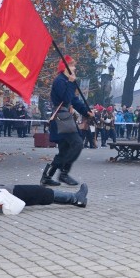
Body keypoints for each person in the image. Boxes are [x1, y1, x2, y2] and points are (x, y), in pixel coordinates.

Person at [40, 55, 93, 187]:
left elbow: (73, 100)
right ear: (65, 67)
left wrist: (86, 111)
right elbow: (65, 98)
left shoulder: (66, 81)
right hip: (61, 118)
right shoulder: (60, 81)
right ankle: (64, 173)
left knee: (64, 150)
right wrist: (70, 83)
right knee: (77, 143)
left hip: (64, 118)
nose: (75, 68)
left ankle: (47, 177)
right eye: (72, 65)